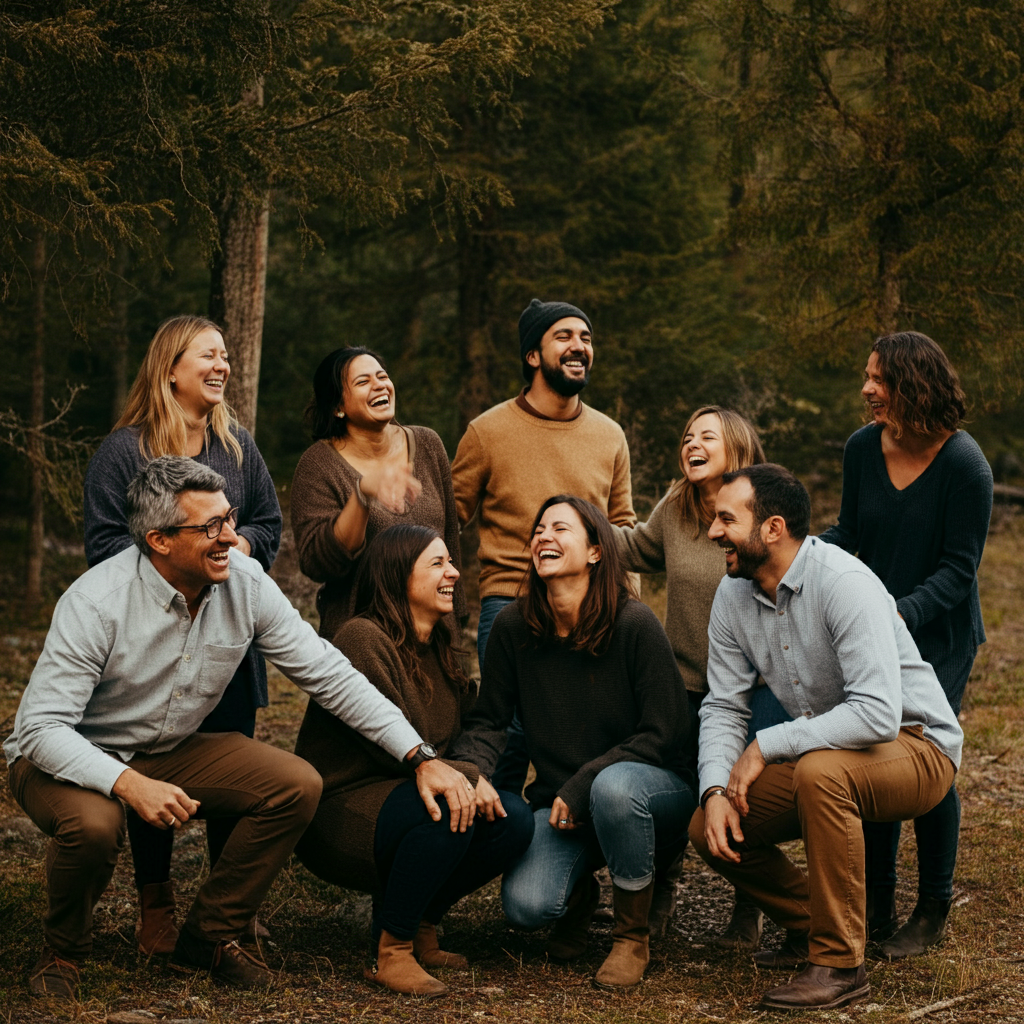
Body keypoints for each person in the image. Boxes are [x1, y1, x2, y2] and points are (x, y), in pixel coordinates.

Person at [5, 457, 473, 999]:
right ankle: (64, 951)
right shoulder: (96, 602)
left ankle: (209, 935)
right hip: (64, 756)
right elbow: (39, 728)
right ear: (158, 540)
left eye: (229, 518)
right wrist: (128, 784)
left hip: (166, 748)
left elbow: (328, 674)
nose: (232, 536)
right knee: (95, 824)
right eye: (211, 527)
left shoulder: (244, 582)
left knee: (296, 784)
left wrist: (420, 756)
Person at [689, 464, 963, 1011]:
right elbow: (723, 703)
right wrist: (716, 789)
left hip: (917, 746)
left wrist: (766, 745)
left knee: (821, 772)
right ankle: (812, 924)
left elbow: (878, 715)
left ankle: (840, 965)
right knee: (708, 828)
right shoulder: (732, 594)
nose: (713, 531)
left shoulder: (843, 582)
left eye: (726, 519)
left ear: (772, 528)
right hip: (834, 753)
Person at [82, 314, 282, 954]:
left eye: (226, 356)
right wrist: (183, 561)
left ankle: (230, 910)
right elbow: (104, 544)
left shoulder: (238, 448)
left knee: (239, 771)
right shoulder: (124, 452)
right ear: (171, 368)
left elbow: (269, 525)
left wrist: (236, 543)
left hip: (228, 642)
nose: (222, 365)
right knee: (153, 767)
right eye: (208, 355)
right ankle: (156, 904)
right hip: (152, 643)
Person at [450, 496, 695, 990]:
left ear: (596, 552)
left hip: (649, 792)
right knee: (526, 907)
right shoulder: (513, 627)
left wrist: (587, 781)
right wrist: (466, 773)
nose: (543, 536)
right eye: (538, 529)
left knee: (615, 790)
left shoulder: (634, 624)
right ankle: (579, 898)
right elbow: (489, 720)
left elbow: (666, 732)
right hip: (564, 803)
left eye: (560, 528)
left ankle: (631, 935)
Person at [293, 525, 534, 997]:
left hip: (410, 795)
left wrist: (473, 772)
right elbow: (390, 746)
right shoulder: (362, 638)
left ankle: (422, 918)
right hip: (343, 807)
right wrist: (464, 776)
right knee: (445, 810)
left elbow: (475, 727)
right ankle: (391, 950)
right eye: (438, 564)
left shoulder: (440, 646)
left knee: (514, 820)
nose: (454, 572)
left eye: (450, 561)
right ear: (399, 575)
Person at [819, 331, 993, 957]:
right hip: (876, 631)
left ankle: (932, 907)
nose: (866, 389)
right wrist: (808, 556)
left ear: (914, 385)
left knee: (926, 761)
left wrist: (898, 612)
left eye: (879, 380)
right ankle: (877, 902)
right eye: (866, 377)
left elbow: (959, 568)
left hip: (939, 636)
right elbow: (853, 529)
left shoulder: (965, 464)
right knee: (874, 754)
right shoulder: (863, 448)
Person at [451, 299, 636, 792]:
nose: (580, 346)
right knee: (506, 733)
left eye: (587, 338)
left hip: (591, 602)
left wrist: (627, 598)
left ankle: (577, 843)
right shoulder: (487, 432)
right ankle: (493, 835)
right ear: (533, 355)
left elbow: (621, 525)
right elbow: (450, 520)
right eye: (564, 337)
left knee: (592, 728)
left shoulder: (609, 435)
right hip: (509, 600)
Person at [612, 405, 768, 944]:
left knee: (743, 795)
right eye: (687, 436)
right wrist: (577, 528)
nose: (691, 443)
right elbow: (636, 547)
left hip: (749, 687)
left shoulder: (759, 508)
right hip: (683, 681)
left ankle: (750, 908)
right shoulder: (677, 508)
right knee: (676, 789)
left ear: (738, 448)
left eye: (707, 435)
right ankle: (662, 895)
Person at [290, 346, 463, 641]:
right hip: (364, 639)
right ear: (337, 407)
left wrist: (455, 623)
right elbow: (318, 563)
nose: (380, 385)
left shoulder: (428, 444)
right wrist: (362, 495)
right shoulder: (318, 464)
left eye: (382, 376)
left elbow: (449, 539)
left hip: (433, 638)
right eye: (363, 382)